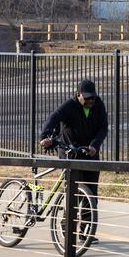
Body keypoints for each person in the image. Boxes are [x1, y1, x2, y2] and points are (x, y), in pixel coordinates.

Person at [39, 79, 108, 243]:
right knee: (72, 193)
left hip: (90, 153)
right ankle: (66, 228)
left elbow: (103, 128)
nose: (91, 101)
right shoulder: (69, 105)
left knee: (90, 193)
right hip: (70, 152)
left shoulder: (98, 105)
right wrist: (45, 137)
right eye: (87, 98)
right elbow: (53, 118)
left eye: (93, 98)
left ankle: (86, 231)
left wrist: (94, 145)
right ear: (79, 95)